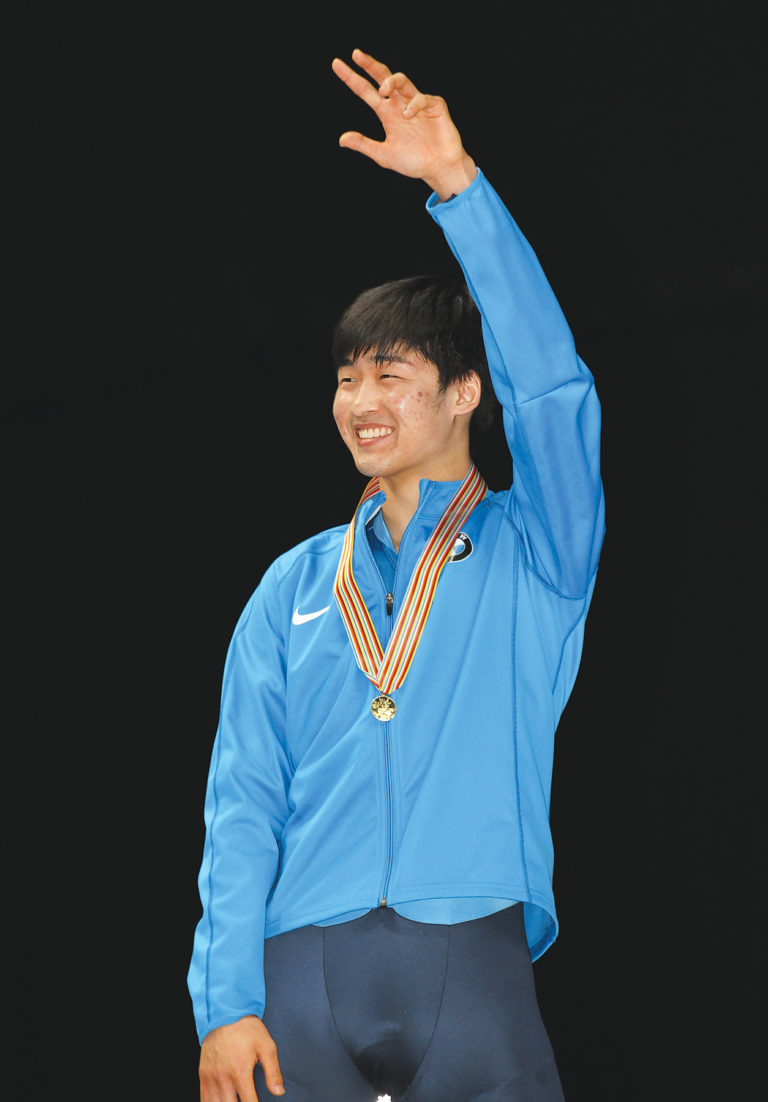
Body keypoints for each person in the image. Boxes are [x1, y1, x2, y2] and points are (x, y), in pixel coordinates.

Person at [188, 48, 605, 1102]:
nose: (359, 398)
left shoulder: (536, 547)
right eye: (345, 375)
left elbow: (553, 392)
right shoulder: (289, 589)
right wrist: (225, 1000)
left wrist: (457, 189)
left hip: (474, 962)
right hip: (295, 974)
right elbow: (241, 802)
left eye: (391, 371)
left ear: (465, 391)